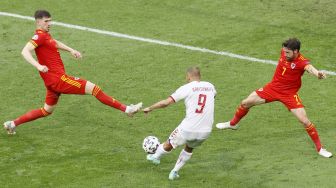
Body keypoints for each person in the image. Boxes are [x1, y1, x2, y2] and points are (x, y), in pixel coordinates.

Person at [3, 10, 142, 135]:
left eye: (50, 20)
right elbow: (24, 51)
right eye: (46, 21)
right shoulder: (38, 37)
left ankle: (12, 124)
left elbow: (54, 43)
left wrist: (71, 50)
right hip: (59, 80)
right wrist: (38, 66)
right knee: (94, 89)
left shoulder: (45, 36)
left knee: (46, 111)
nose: (49, 23)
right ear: (38, 22)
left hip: (52, 83)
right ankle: (127, 110)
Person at [216, 38, 332, 158]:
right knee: (246, 102)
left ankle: (320, 148)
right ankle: (233, 124)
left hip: (289, 94)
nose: (285, 54)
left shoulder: (302, 62)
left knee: (304, 120)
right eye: (284, 51)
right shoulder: (284, 52)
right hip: (273, 88)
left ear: (296, 51)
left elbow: (310, 68)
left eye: (288, 52)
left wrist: (318, 74)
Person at [143, 67, 217, 180]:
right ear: (199, 76)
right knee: (189, 148)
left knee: (170, 143)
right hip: (206, 131)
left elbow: (165, 103)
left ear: (188, 76)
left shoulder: (187, 88)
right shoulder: (210, 86)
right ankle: (174, 172)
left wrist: (150, 108)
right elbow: (212, 96)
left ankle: (155, 156)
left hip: (188, 128)